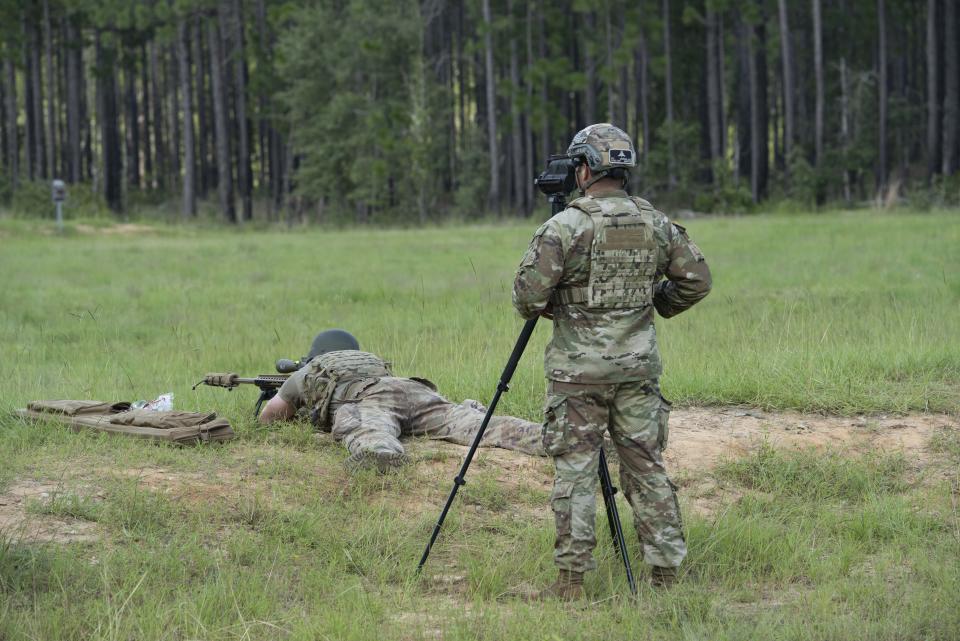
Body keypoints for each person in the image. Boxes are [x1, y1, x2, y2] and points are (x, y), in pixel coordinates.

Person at [512, 124, 712, 599]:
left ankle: (571, 582)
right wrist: (655, 301)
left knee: (575, 473)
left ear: (584, 168)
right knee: (646, 467)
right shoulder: (656, 223)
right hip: (638, 371)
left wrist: (562, 306)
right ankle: (665, 577)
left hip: (577, 374)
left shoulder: (565, 226)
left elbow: (526, 296)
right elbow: (697, 281)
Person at [259, 329, 545, 471]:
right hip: (412, 388)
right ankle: (545, 436)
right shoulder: (368, 359)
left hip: (370, 398)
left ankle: (381, 454)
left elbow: (271, 416)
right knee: (472, 422)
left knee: (367, 427)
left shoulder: (311, 370)